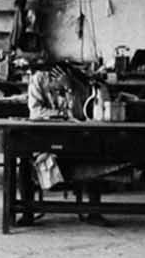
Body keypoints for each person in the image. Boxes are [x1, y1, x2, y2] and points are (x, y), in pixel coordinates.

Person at [19, 64, 107, 226]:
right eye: (55, 87)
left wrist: (69, 88)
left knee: (94, 157)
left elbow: (81, 115)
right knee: (25, 162)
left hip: (71, 138)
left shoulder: (75, 85)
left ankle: (94, 211)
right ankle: (27, 212)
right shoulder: (39, 79)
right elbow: (35, 112)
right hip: (44, 137)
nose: (57, 92)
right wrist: (63, 114)